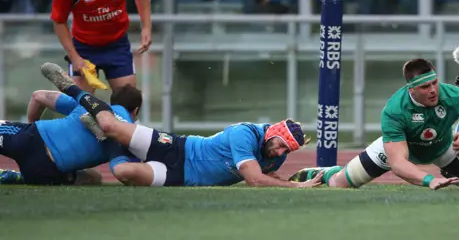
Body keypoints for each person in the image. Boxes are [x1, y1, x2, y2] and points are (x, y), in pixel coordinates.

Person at [40, 62, 324, 188]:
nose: (279, 153)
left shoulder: (274, 159)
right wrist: (295, 188)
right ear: (273, 133)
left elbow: (268, 178)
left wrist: (290, 180)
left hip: (182, 178)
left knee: (125, 172)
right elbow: (253, 179)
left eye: (286, 150)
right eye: (280, 145)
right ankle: (73, 90)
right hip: (177, 149)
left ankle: (103, 138)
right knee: (113, 125)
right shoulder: (245, 134)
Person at [290, 58, 459, 191]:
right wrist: (430, 180)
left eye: (434, 83)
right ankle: (328, 171)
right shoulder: (395, 110)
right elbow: (398, 163)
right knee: (338, 186)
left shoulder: (452, 95)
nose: (433, 90)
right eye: (425, 87)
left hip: (445, 147)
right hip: (400, 149)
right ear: (410, 89)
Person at [0, 85, 142, 185]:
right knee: (94, 177)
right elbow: (127, 173)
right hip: (44, 171)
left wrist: (32, 125)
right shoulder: (130, 135)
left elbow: (38, 97)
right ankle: (19, 177)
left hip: (31, 137)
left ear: (112, 102)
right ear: (135, 111)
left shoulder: (92, 104)